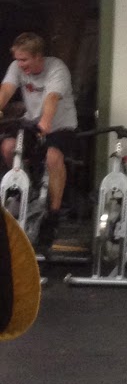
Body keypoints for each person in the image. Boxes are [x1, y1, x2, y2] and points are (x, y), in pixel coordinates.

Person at [0, 33, 79, 247]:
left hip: (60, 124)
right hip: (31, 121)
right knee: (8, 147)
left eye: (24, 60)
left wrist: (45, 122)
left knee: (53, 158)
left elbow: (52, 98)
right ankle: (26, 189)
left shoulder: (57, 69)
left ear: (38, 56)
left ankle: (54, 213)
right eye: (17, 59)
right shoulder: (17, 67)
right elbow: (6, 89)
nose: (20, 64)